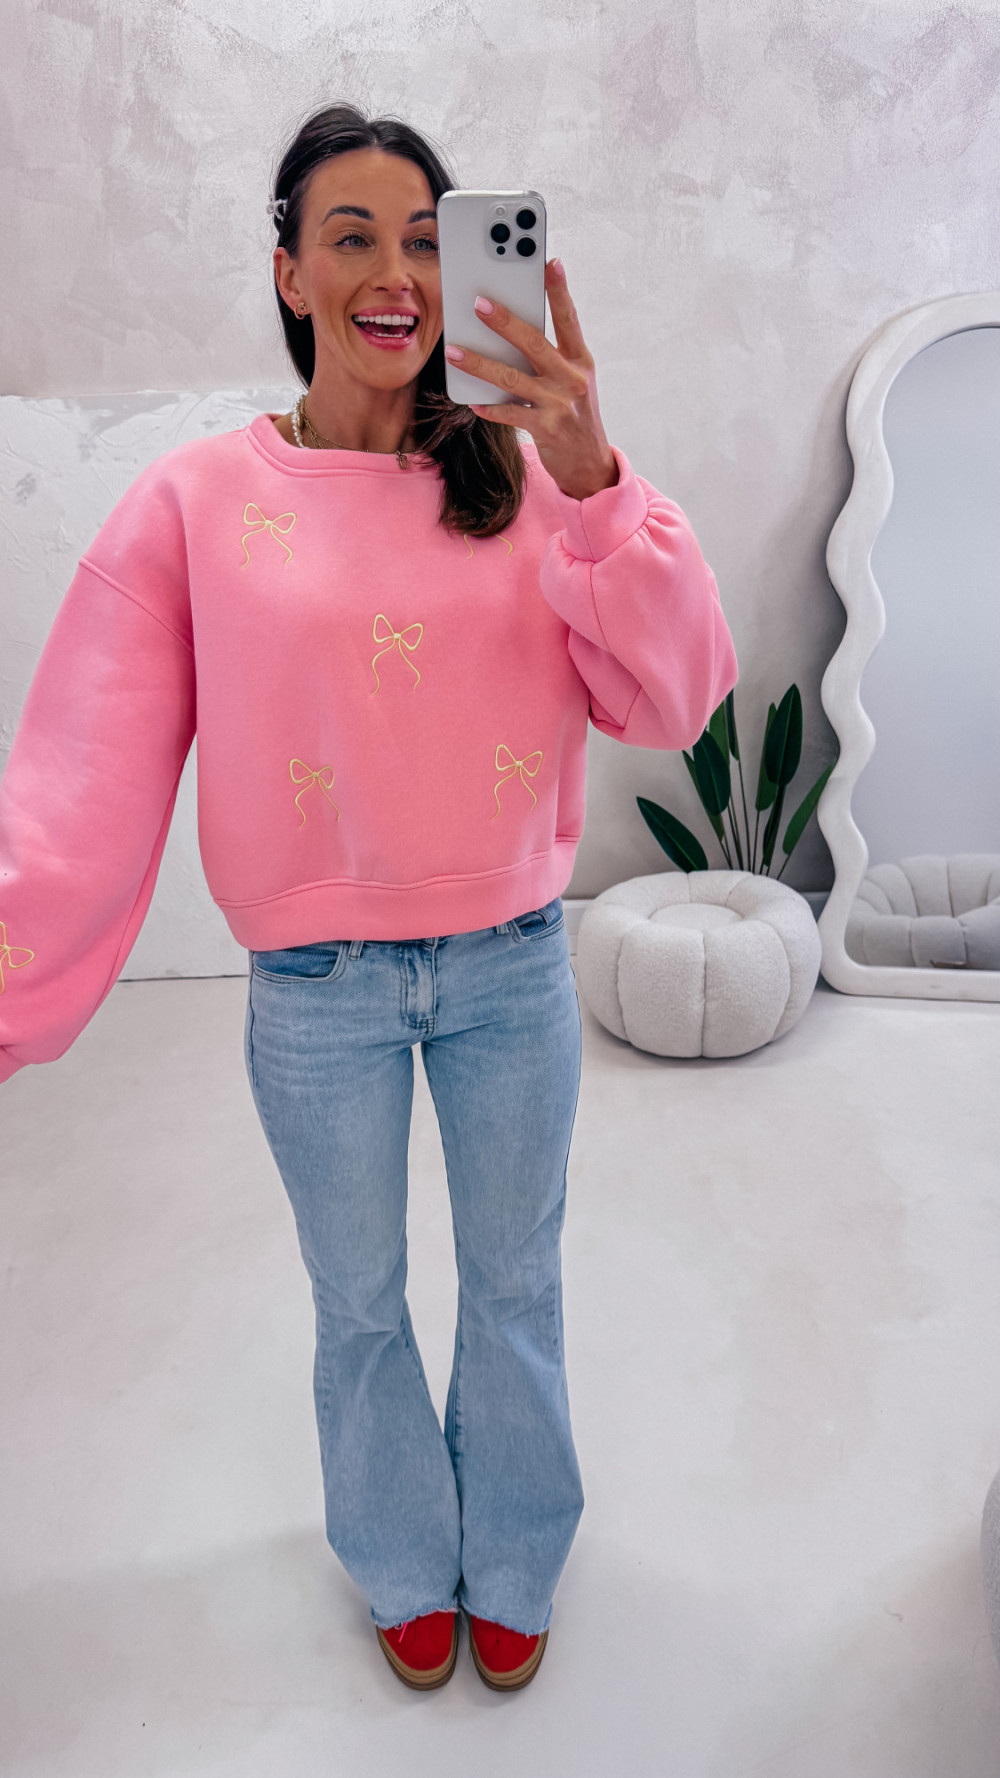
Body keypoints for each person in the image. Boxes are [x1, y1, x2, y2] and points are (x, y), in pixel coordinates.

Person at [0, 102, 738, 1691]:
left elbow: (679, 696)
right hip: (315, 992)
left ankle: (516, 1547)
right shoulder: (192, 502)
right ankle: (403, 1552)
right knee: (358, 1300)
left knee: (517, 1281)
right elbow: (82, 776)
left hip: (510, 966)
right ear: (288, 271)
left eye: (426, 238)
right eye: (352, 237)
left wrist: (598, 477)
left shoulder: (529, 478)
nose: (396, 273)